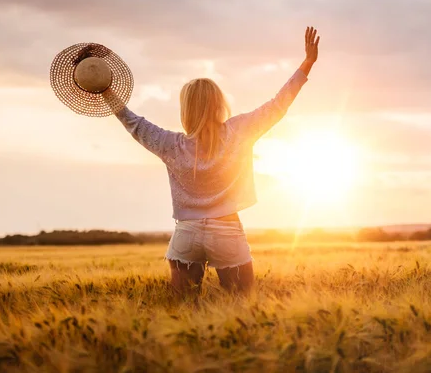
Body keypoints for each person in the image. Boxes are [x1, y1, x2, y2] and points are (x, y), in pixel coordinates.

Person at [103, 27, 320, 296]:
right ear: (219, 104)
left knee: (183, 311)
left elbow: (133, 122)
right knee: (242, 306)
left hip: (186, 234)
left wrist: (105, 90)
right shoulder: (239, 131)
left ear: (186, 109)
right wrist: (307, 64)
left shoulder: (170, 143)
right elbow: (278, 104)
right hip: (227, 231)